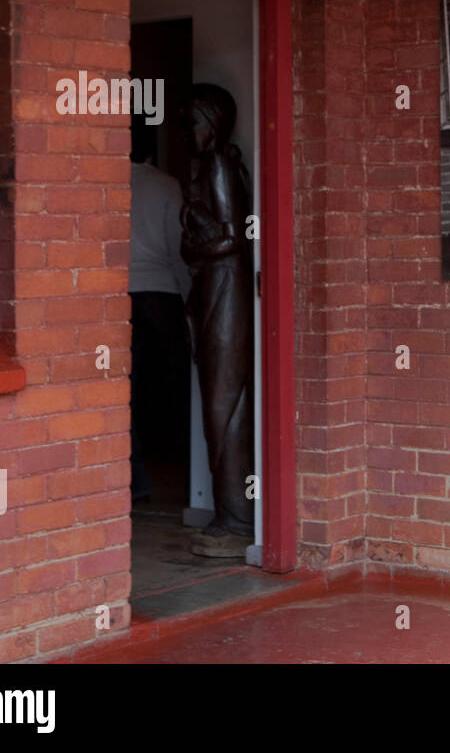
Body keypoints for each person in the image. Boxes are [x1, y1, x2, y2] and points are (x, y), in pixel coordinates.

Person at [180, 84, 255, 557]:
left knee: (223, 405)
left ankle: (237, 517)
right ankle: (230, 513)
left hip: (226, 293)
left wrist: (192, 239)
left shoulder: (221, 164)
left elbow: (232, 236)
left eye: (194, 121)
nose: (189, 131)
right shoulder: (207, 166)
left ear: (213, 122)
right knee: (215, 402)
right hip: (214, 290)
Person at [128, 130, 191, 503]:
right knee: (175, 381)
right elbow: (177, 248)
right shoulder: (167, 185)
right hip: (161, 293)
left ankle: (136, 477)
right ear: (153, 149)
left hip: (119, 293)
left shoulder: (106, 184)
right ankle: (186, 468)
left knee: (125, 392)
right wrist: (189, 299)